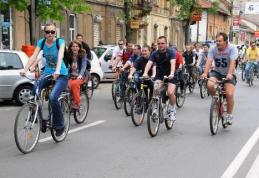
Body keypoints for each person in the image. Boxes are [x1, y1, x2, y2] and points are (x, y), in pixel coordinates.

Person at [20, 22, 68, 136]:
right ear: (44, 33)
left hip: (61, 74)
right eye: (47, 32)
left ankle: (60, 125)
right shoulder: (41, 42)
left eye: (52, 32)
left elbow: (60, 55)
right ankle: (35, 116)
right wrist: (25, 69)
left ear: (55, 32)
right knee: (35, 87)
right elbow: (34, 56)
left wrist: (57, 70)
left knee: (52, 97)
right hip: (47, 73)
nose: (50, 34)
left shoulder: (59, 42)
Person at [201, 32, 238, 125]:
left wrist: (229, 74)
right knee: (209, 85)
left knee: (229, 94)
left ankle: (229, 115)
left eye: (220, 41)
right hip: (217, 73)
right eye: (216, 41)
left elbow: (233, 62)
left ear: (225, 41)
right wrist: (205, 73)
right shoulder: (213, 49)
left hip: (229, 74)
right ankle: (217, 102)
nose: (217, 43)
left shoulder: (232, 48)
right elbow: (209, 61)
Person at [143, 36, 177, 122]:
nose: (160, 45)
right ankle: (155, 107)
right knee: (156, 89)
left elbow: (173, 63)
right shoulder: (155, 53)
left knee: (170, 92)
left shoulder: (171, 52)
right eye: (159, 43)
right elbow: (149, 63)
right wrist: (145, 73)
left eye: (162, 43)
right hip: (160, 75)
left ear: (166, 44)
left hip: (171, 75)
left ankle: (172, 109)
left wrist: (172, 73)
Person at [67, 40, 88, 109]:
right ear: (71, 48)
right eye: (73, 46)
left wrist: (80, 75)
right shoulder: (69, 55)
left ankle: (77, 103)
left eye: (76, 46)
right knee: (66, 85)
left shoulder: (83, 55)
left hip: (81, 76)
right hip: (71, 75)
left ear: (79, 48)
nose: (75, 48)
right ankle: (70, 101)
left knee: (75, 84)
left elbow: (83, 66)